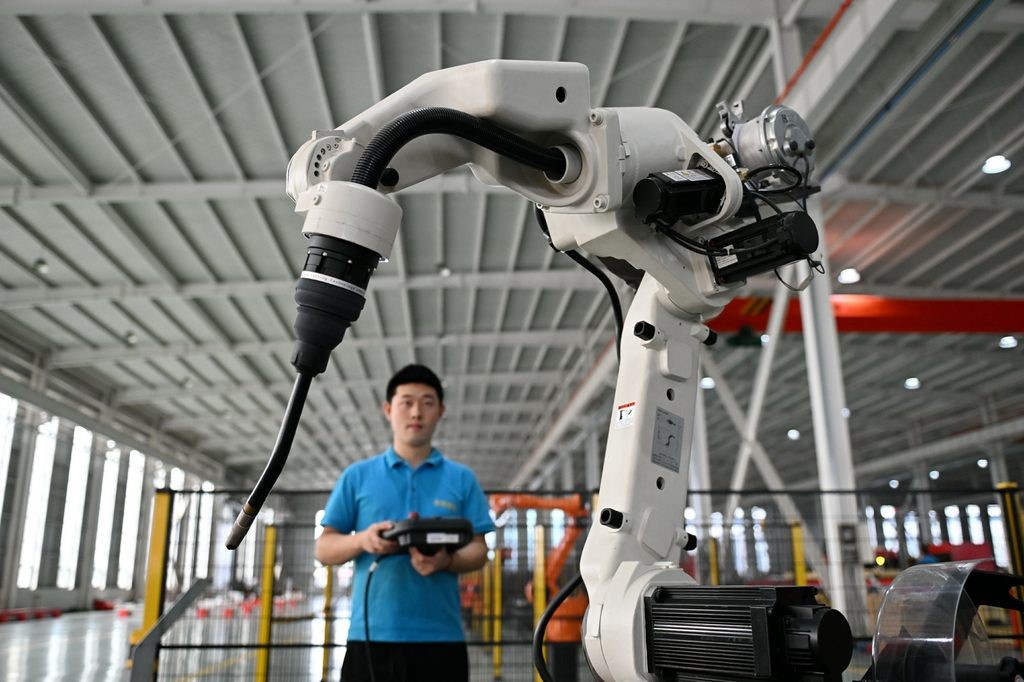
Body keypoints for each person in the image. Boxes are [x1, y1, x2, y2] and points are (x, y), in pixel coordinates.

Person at [316, 364, 494, 682]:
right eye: (406, 402)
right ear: (388, 409)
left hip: (441, 639)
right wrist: (363, 540)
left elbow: (479, 550)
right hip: (370, 638)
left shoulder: (462, 479)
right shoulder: (357, 476)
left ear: (441, 411)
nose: (416, 412)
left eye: (427, 403)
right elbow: (324, 548)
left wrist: (446, 561)